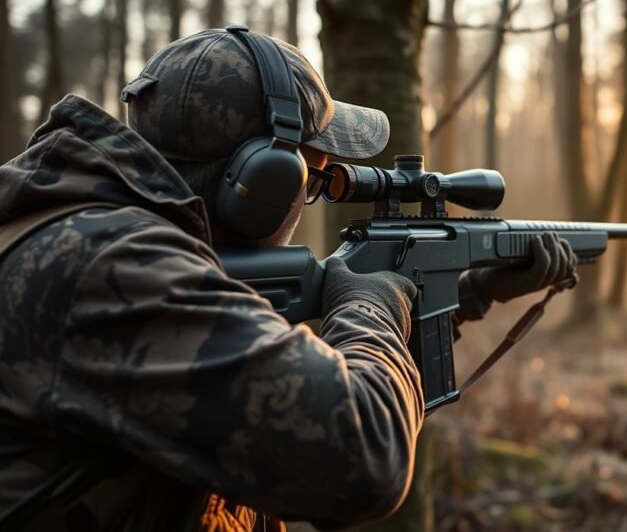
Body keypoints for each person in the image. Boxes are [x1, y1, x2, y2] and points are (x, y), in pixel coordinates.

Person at [0, 26, 577, 531]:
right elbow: (359, 461)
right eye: (314, 180)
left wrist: (469, 294)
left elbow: (269, 400)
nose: (309, 198)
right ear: (260, 184)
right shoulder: (112, 269)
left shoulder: (88, 240)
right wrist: (371, 308)